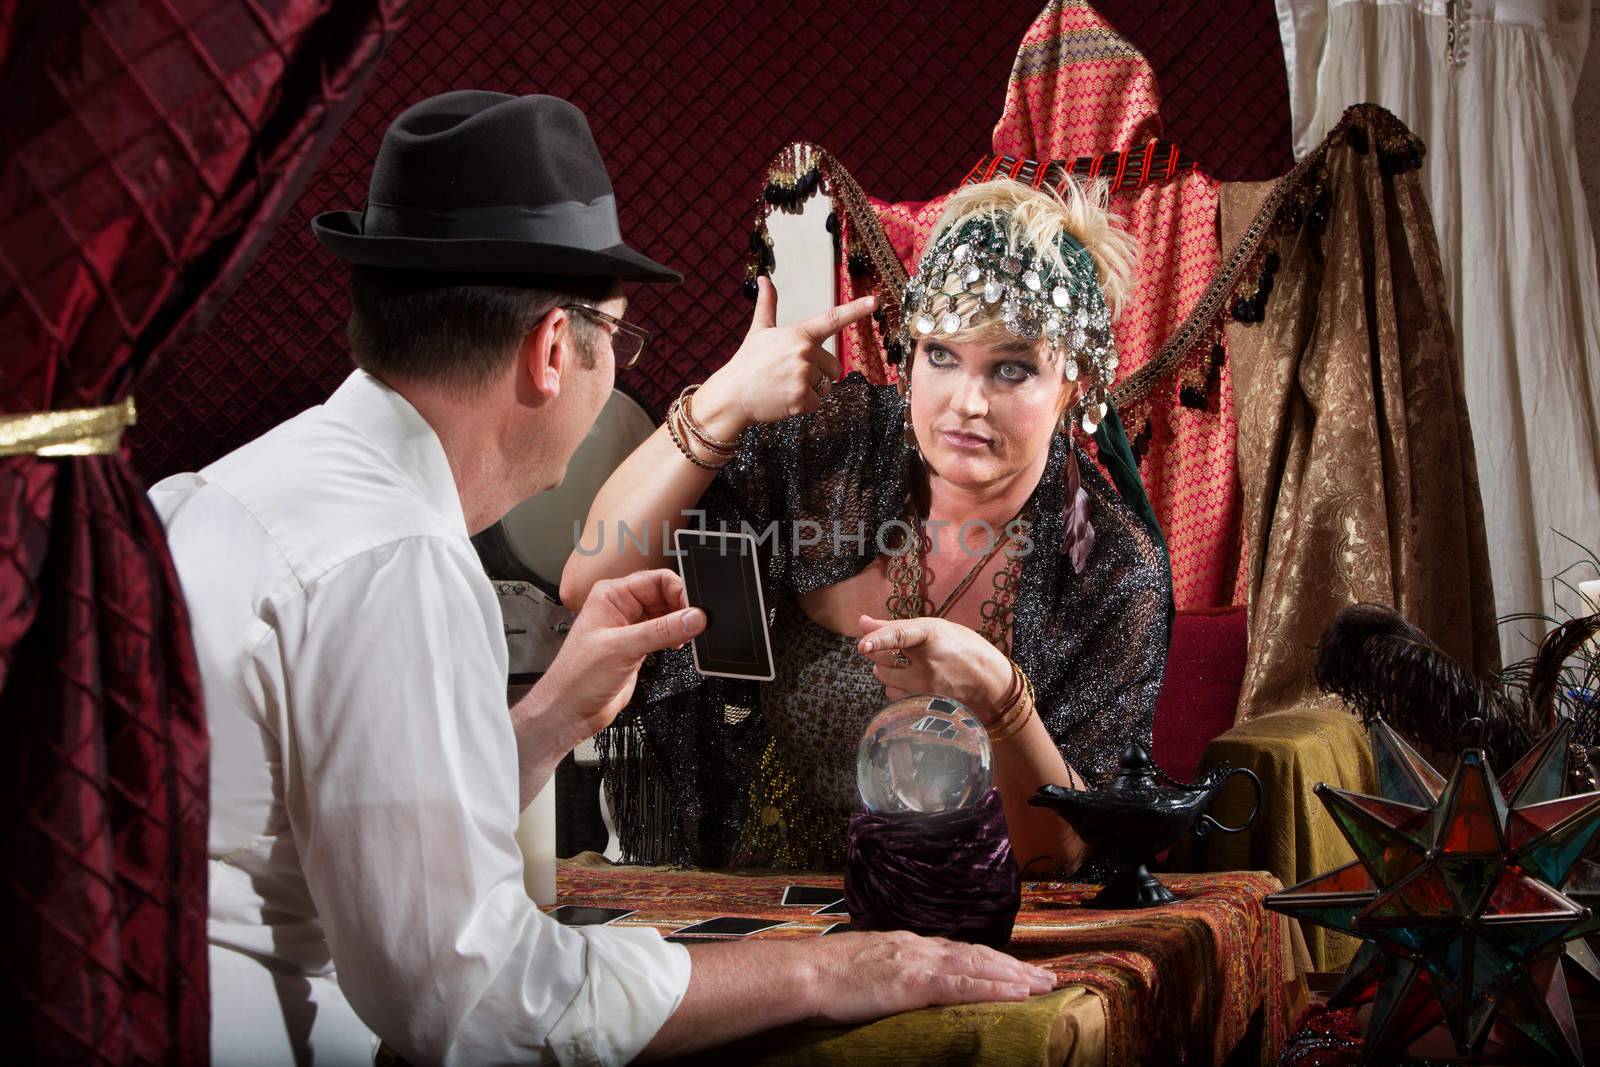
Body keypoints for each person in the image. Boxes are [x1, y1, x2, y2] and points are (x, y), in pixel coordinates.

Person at [151, 91, 1056, 1067]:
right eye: (618, 344)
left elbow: (341, 825)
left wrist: (551, 719)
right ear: (551, 349)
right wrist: (823, 970)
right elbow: (481, 997)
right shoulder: (398, 560)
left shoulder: (208, 494)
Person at [563, 178, 1172, 874]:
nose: (967, 402)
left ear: (1076, 383)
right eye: (941, 355)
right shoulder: (832, 452)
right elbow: (590, 580)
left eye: (1012, 368)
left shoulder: (1111, 565)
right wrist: (724, 399)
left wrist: (1002, 701)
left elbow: (1056, 860)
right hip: (774, 906)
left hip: (974, 928)